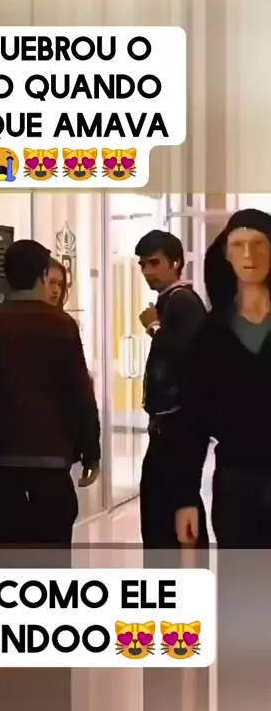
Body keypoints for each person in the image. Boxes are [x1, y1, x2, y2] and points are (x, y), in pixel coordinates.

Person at [0, 239, 101, 547]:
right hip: (50, 464)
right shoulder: (61, 325)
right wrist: (90, 451)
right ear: (43, 275)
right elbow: (79, 393)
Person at [175, 208, 271, 548]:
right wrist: (186, 497)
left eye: (259, 244)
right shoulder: (211, 333)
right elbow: (193, 420)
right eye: (239, 245)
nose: (249, 255)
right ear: (226, 255)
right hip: (237, 483)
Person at [134, 230, 208, 549]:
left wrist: (154, 327)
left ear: (175, 262)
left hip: (180, 425)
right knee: (165, 507)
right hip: (171, 425)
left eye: (154, 263)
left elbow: (186, 356)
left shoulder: (183, 302)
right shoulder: (172, 301)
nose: (147, 271)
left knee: (173, 510)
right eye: (142, 264)